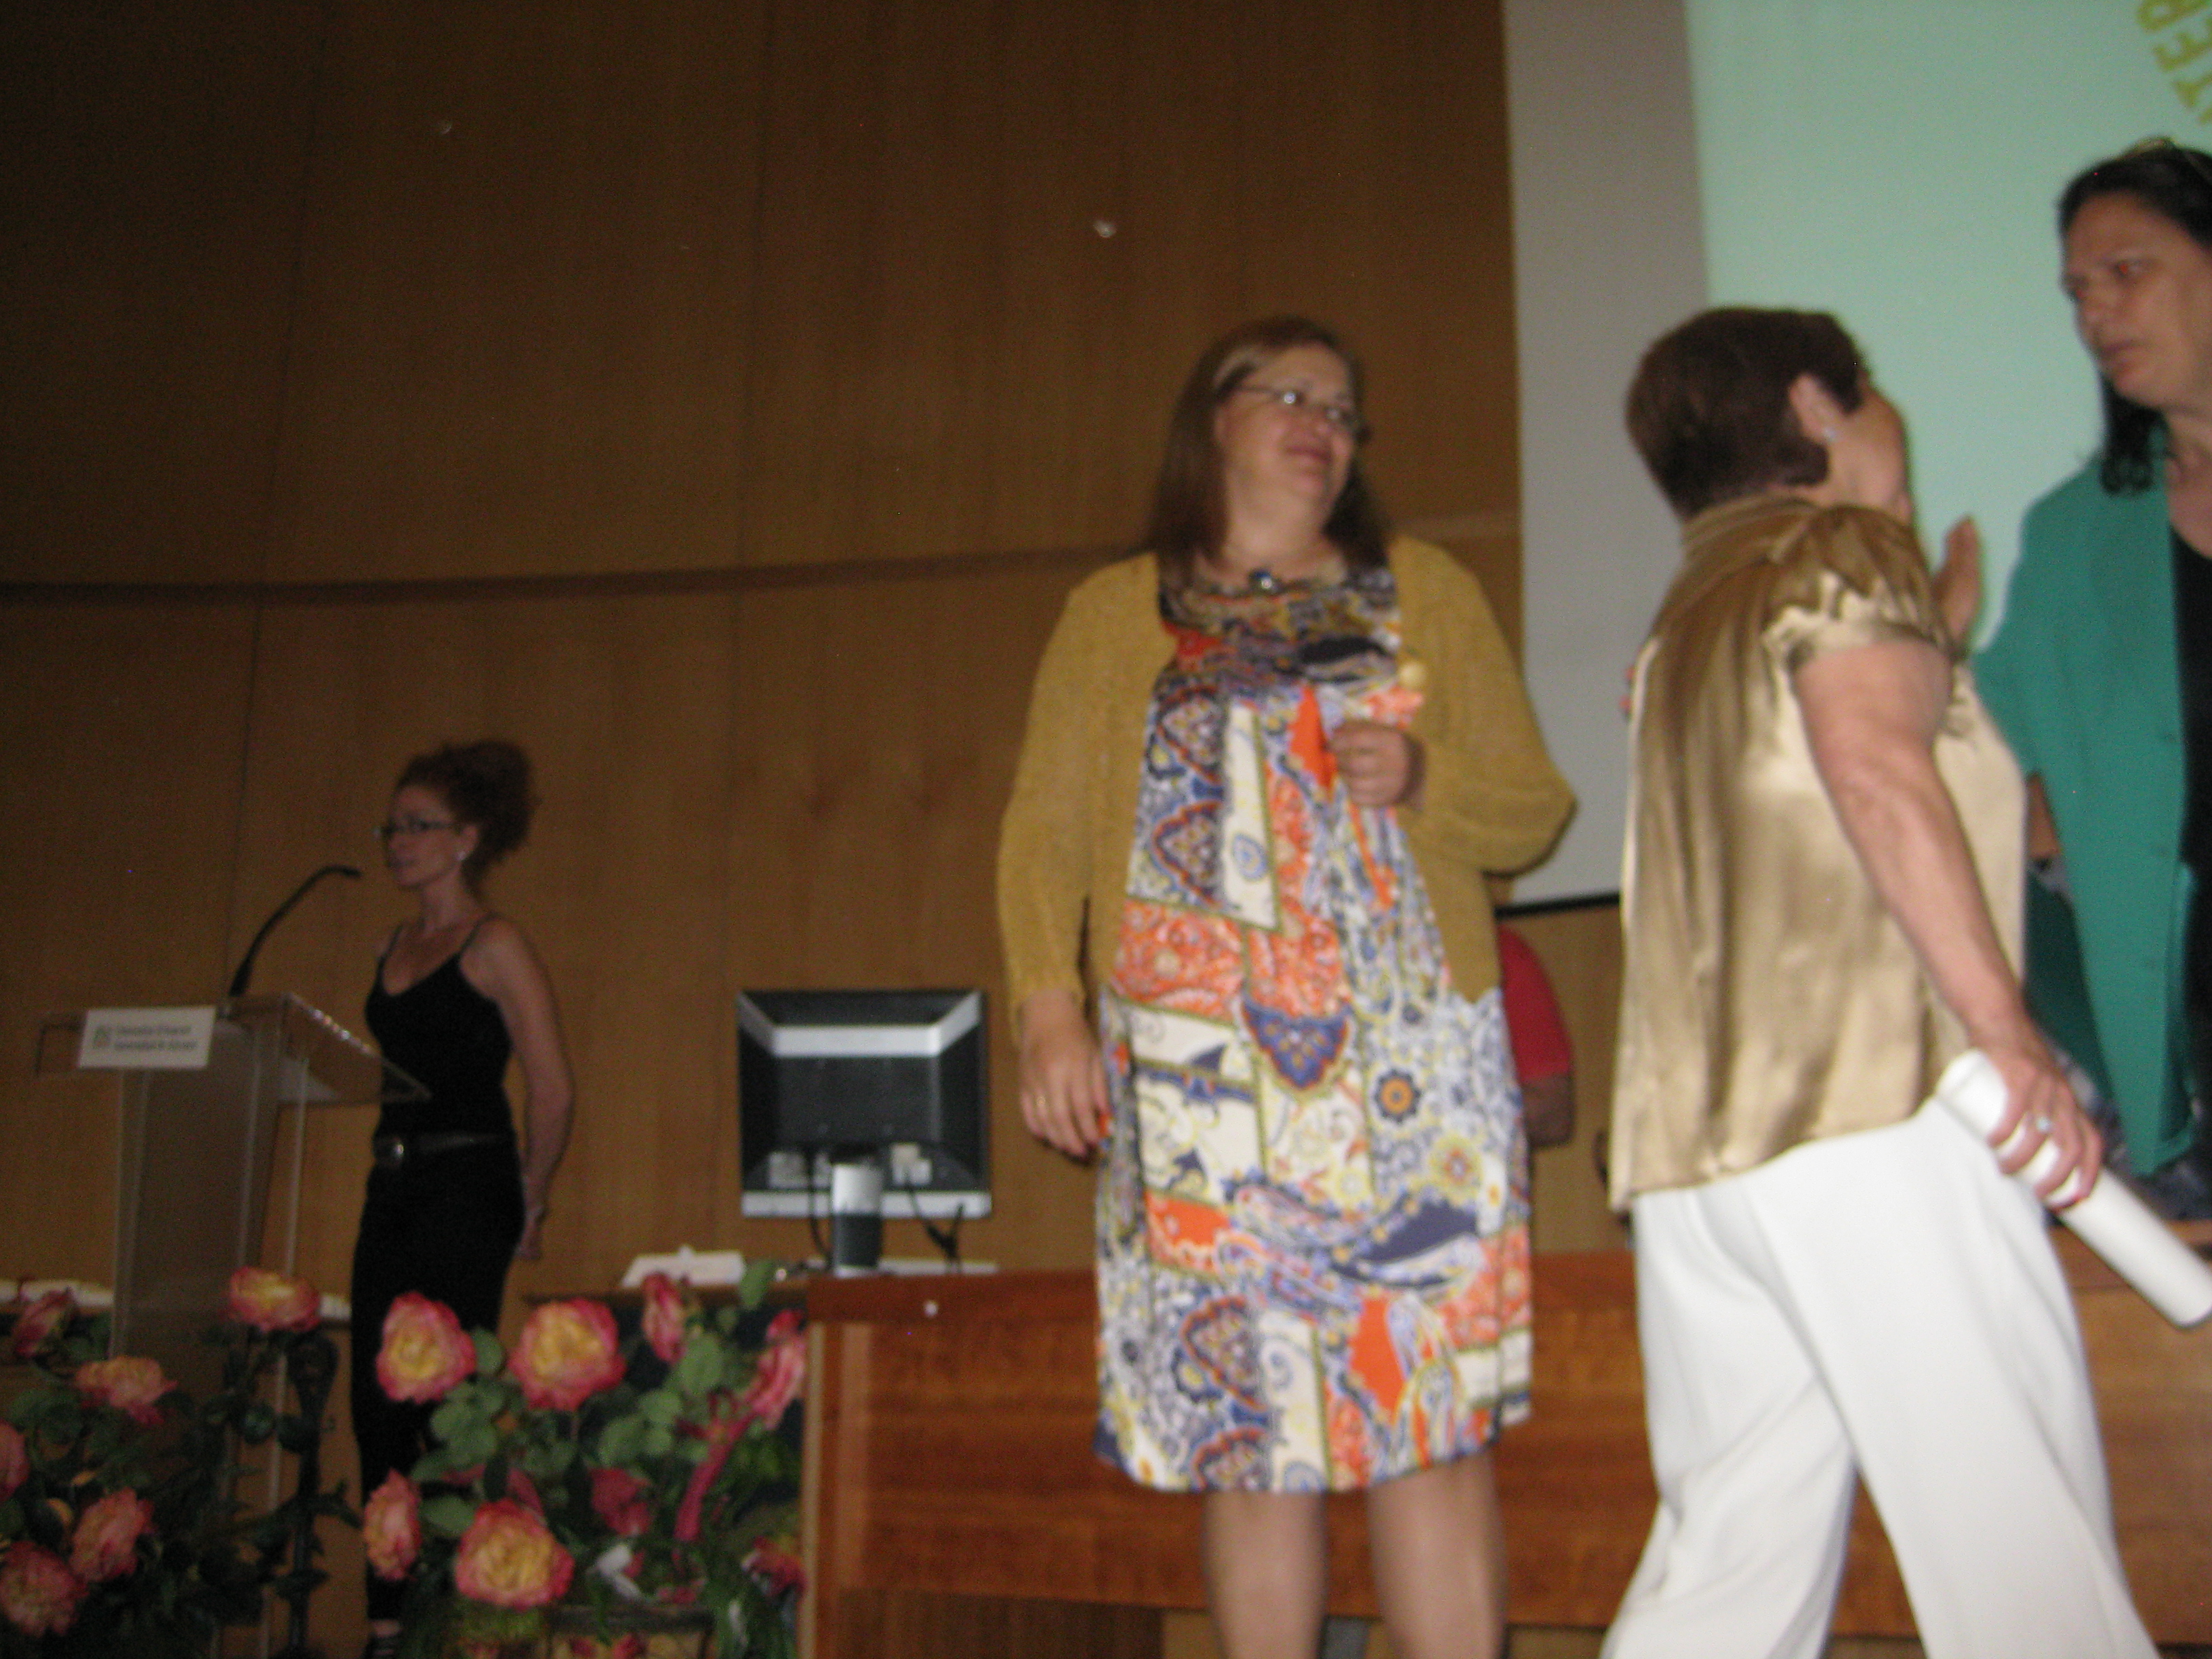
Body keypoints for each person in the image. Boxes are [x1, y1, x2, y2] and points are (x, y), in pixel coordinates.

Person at [998, 315, 1572, 1659]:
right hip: (1196, 1081)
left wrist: (1426, 782)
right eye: (1293, 397)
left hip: (1410, 1071)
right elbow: (1043, 833)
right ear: (1214, 419)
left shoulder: (1423, 588)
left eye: (1344, 409)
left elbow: (1533, 809)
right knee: (1250, 1441)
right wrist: (1046, 1008)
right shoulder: (1112, 613)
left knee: (1425, 1427)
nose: (1325, 426)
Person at [1604, 307, 2153, 1659]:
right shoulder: (1842, 552)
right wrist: (2007, 1032)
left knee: (1729, 1577)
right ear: (1816, 406)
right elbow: (1873, 770)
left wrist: (1935, 638)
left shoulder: (1685, 621)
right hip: (1876, 1114)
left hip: (1702, 1164)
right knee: (2020, 1547)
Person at [1978, 136, 2212, 1216]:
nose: (2097, 313)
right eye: (2079, 291)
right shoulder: (2078, 534)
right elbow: (1981, 748)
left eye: (2128, 271)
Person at [351, 739, 574, 1656]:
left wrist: (532, 1197)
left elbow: (552, 1088)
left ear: (468, 838)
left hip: (468, 1186)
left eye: (419, 825)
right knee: (375, 1404)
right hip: (393, 1182)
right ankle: (384, 1626)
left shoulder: (496, 943)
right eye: (392, 827)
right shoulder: (390, 944)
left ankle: (451, 1618)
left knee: (448, 1404)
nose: (398, 842)